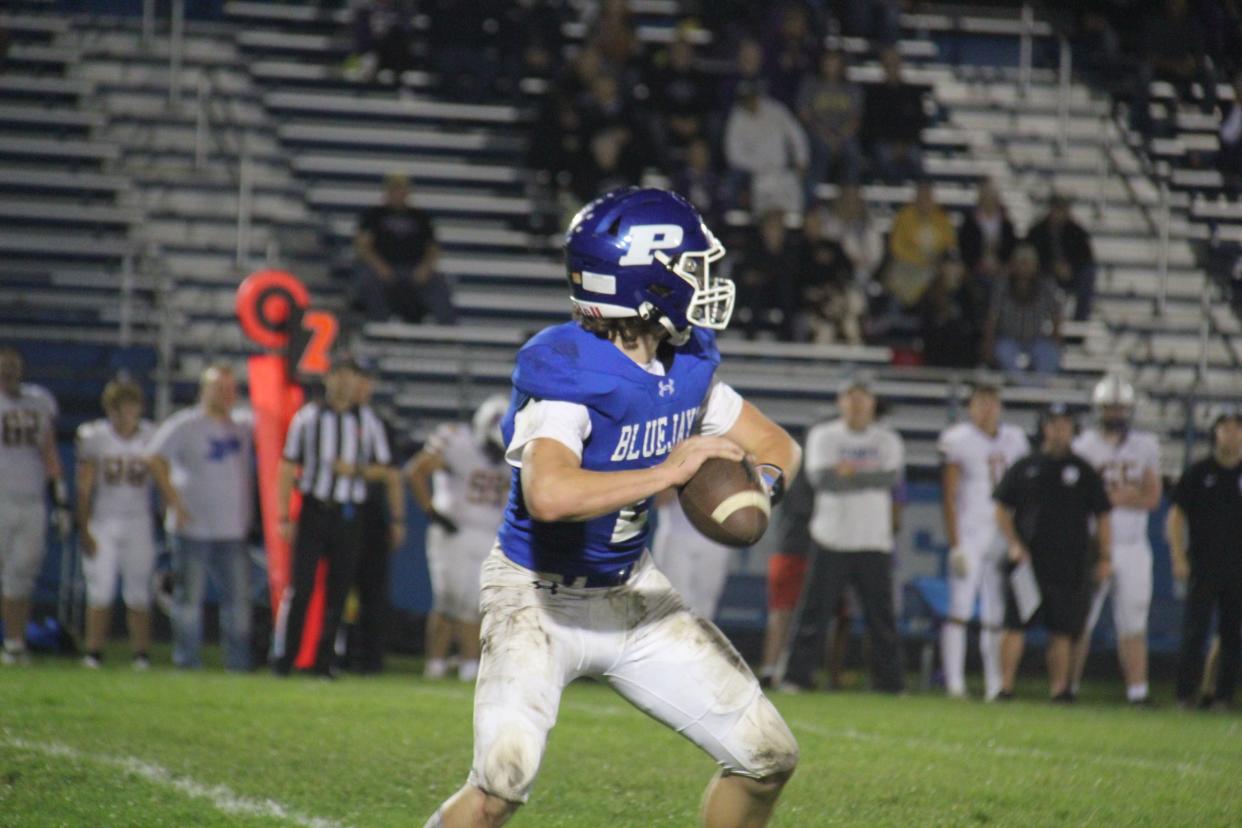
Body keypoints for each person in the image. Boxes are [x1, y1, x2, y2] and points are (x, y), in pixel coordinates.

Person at [424, 188, 800, 828]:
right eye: (690, 268)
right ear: (643, 281)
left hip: (630, 595)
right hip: (536, 600)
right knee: (499, 786)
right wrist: (670, 471)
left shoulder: (684, 363)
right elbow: (549, 495)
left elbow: (777, 446)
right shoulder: (570, 369)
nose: (705, 282)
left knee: (768, 756)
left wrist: (752, 490)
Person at [783, 377, 906, 694]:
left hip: (874, 539)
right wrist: (867, 475)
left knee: (882, 619)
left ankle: (889, 683)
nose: (857, 403)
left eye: (863, 397)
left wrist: (847, 472)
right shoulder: (824, 435)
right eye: (850, 397)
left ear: (873, 403)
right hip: (832, 536)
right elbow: (822, 479)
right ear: (840, 402)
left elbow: (889, 478)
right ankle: (797, 677)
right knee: (813, 613)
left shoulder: (888, 439)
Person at [273, 359, 390, 678]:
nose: (343, 382)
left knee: (339, 592)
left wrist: (355, 470)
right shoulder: (308, 417)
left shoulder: (367, 420)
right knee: (301, 588)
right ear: (327, 379)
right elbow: (286, 466)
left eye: (349, 376)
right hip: (314, 510)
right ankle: (285, 658)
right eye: (338, 375)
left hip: (349, 514)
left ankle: (324, 662)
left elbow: (384, 469)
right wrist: (283, 514)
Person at [994, 403, 1112, 701]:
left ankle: (1060, 689)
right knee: (1014, 624)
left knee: (1062, 628)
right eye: (1054, 424)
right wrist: (1014, 543)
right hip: (1029, 559)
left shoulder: (1083, 470)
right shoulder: (1025, 466)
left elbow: (1102, 514)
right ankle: (1004, 686)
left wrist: (1104, 556)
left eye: (1065, 425)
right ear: (1044, 427)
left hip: (1069, 559)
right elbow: (1002, 509)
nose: (1060, 431)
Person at [148, 364, 254, 671]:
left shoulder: (242, 425)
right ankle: (187, 663)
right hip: (191, 527)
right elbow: (154, 458)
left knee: (238, 605)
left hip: (232, 528)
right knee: (188, 602)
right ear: (203, 390)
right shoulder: (185, 424)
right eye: (218, 388)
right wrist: (174, 504)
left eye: (230, 388)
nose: (225, 394)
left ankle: (238, 665)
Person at [1069, 374, 1162, 705]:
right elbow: (1078, 499)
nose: (1116, 414)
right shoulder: (1083, 447)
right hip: (1094, 544)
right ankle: (1068, 689)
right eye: (1110, 407)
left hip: (1134, 546)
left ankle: (1138, 692)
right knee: (1081, 621)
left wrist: (1114, 498)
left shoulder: (1146, 446)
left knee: (1134, 621)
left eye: (1121, 408)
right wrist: (1118, 497)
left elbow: (1152, 497)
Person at [936, 381, 1029, 700]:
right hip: (970, 530)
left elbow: (1022, 492)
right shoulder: (958, 439)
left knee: (995, 613)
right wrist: (955, 543)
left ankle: (995, 685)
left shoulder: (1015, 438)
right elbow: (949, 495)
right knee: (960, 607)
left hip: (1002, 534)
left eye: (992, 402)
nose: (987, 409)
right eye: (980, 402)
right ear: (970, 407)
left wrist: (1018, 537)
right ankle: (955, 683)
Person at [406, 396, 509, 682]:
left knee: (476, 602)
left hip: (491, 532)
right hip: (454, 529)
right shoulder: (455, 440)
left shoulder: (519, 450)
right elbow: (416, 470)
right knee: (449, 597)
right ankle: (437, 663)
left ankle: (469, 664)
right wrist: (433, 512)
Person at [75, 379, 173, 670]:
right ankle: (94, 652)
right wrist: (85, 527)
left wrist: (168, 510)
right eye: (120, 407)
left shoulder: (151, 435)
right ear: (110, 409)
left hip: (139, 521)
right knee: (100, 590)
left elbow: (163, 478)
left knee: (138, 591)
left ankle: (141, 654)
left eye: (131, 406)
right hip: (104, 520)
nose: (127, 413)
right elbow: (84, 488)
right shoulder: (96, 436)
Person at [1167, 405, 1242, 710]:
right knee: (1195, 631)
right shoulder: (1199, 472)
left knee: (1232, 633)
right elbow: (1175, 516)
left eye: (1237, 427)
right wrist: (1177, 555)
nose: (1231, 433)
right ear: (1215, 433)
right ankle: (1185, 694)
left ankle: (1223, 696)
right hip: (1204, 562)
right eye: (1225, 427)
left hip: (1238, 566)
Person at [0, 346, 69, 666]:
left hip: (31, 499)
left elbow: (49, 451)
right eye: (4, 366)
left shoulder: (39, 401)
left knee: (22, 573)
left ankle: (15, 642)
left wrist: (61, 500)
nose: (9, 372)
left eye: (14, 366)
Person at [345, 361, 404, 674]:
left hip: (371, 512)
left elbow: (393, 474)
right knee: (339, 588)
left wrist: (396, 519)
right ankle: (338, 652)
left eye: (366, 381)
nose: (361, 388)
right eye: (357, 380)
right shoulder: (325, 417)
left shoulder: (378, 424)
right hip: (338, 509)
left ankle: (370, 658)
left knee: (373, 589)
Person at [354, 173, 455, 325]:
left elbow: (433, 248)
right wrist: (380, 267)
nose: (398, 194)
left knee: (439, 284)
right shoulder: (374, 215)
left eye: (401, 189)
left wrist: (425, 268)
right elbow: (362, 246)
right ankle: (378, 327)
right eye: (394, 189)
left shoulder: (420, 217)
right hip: (382, 270)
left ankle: (447, 332)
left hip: (414, 270)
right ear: (387, 192)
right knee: (368, 281)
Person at [723, 80, 810, 215]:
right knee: (762, 212)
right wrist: (757, 166)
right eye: (745, 99)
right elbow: (733, 154)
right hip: (757, 175)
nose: (749, 102)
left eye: (752, 97)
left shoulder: (776, 110)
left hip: (784, 172)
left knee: (795, 208)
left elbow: (795, 133)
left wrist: (801, 158)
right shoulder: (737, 118)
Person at [758, 470, 812, 688]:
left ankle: (788, 669)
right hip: (790, 547)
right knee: (782, 610)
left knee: (808, 613)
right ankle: (770, 669)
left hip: (819, 548)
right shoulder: (787, 469)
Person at [651, 493, 733, 621]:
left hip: (716, 538)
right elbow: (659, 501)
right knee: (674, 606)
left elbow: (767, 482)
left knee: (705, 610)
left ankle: (696, 640)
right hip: (676, 537)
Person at [983, 244, 1062, 376]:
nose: (1025, 268)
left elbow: (1056, 316)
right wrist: (988, 344)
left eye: (1028, 263)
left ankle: (1038, 389)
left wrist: (1056, 341)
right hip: (1008, 338)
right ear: (1013, 265)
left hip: (1036, 338)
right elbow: (992, 318)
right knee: (1003, 352)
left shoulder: (1046, 287)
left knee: (1050, 354)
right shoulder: (1002, 286)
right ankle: (1019, 385)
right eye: (1021, 263)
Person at [796, 49, 863, 189]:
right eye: (828, 61)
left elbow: (855, 119)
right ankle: (812, 193)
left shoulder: (852, 88)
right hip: (816, 133)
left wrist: (838, 138)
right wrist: (825, 135)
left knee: (852, 151)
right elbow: (804, 114)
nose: (831, 65)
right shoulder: (810, 84)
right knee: (819, 149)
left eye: (834, 62)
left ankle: (848, 192)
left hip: (843, 135)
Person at [885, 180, 957, 310]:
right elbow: (896, 246)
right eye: (921, 198)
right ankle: (897, 312)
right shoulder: (904, 216)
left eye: (928, 198)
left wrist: (938, 258)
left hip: (936, 264)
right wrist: (921, 258)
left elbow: (949, 244)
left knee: (950, 274)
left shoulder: (941, 218)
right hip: (909, 263)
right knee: (900, 278)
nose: (925, 202)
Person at [1025, 194, 1096, 322]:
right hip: (1045, 274)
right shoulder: (1037, 232)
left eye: (1064, 209)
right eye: (1058, 209)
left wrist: (1071, 268)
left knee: (1088, 275)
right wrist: (1053, 267)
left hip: (1071, 274)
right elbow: (1031, 255)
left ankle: (1079, 323)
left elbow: (1086, 256)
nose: (1061, 213)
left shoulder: (1076, 231)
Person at [862, 47, 926, 183]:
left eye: (895, 62)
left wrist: (904, 145)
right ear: (883, 66)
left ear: (900, 64)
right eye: (888, 63)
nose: (891, 66)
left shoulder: (913, 93)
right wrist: (893, 146)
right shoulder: (874, 94)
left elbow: (919, 122)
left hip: (908, 144)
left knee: (916, 158)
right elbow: (871, 125)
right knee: (883, 156)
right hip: (884, 144)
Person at [918, 251, 984, 368]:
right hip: (938, 351)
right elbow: (925, 325)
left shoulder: (970, 292)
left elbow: (975, 324)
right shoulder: (930, 293)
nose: (953, 269)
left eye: (957, 265)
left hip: (964, 352)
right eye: (949, 265)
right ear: (941, 267)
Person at [957, 180, 1016, 303]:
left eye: (992, 197)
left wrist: (1001, 263)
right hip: (976, 269)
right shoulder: (970, 222)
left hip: (1001, 269)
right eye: (986, 196)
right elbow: (964, 247)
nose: (989, 200)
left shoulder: (1006, 223)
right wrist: (978, 261)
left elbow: (1011, 248)